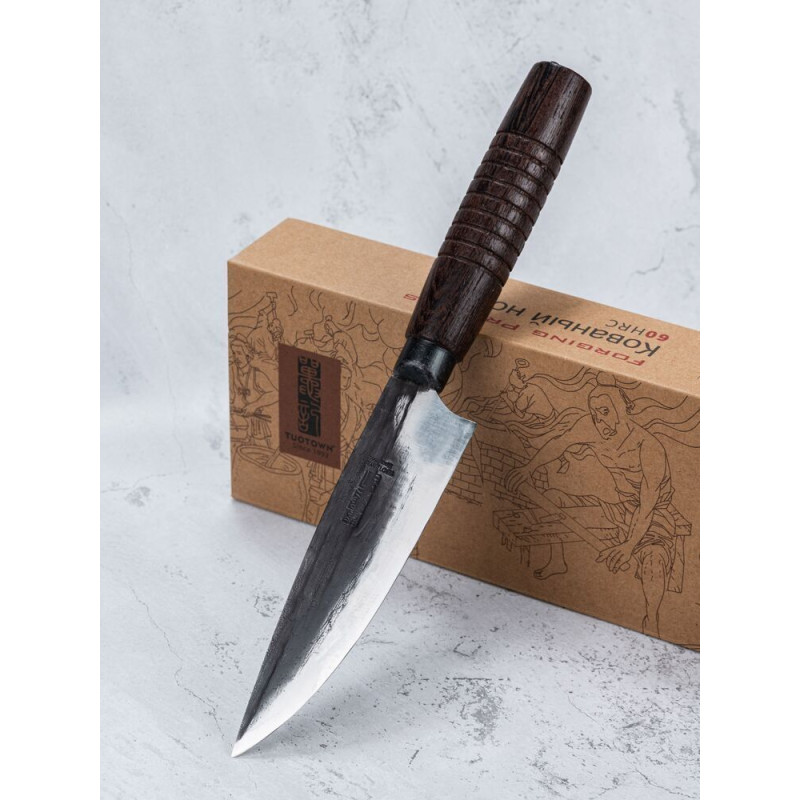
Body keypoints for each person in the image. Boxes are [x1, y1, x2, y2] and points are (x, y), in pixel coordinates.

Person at [505, 373, 677, 636]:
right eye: (595, 414)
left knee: (653, 558)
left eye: (605, 412)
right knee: (554, 499)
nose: (599, 420)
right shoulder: (589, 426)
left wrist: (629, 546)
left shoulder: (649, 448)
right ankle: (557, 562)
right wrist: (528, 469)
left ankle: (652, 620)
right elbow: (557, 445)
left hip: (653, 514)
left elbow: (648, 505)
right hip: (619, 508)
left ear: (621, 410)